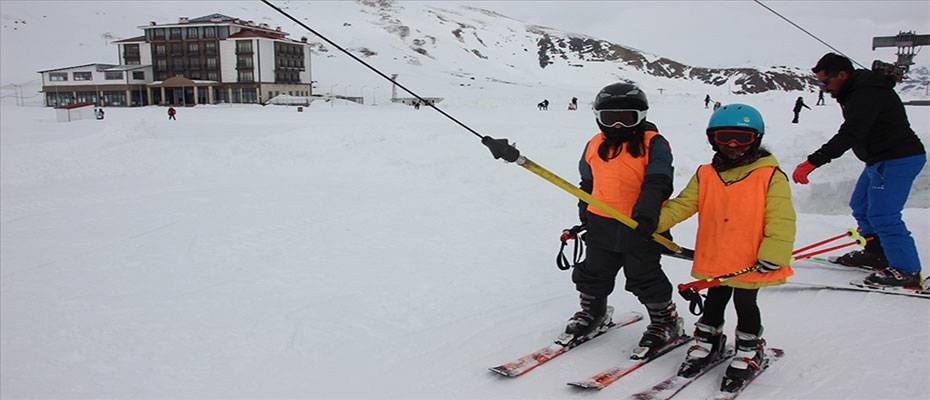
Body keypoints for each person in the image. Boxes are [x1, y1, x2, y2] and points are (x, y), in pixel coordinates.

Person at [655, 104, 795, 391]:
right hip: (717, 255)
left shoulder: (770, 175)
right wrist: (651, 222)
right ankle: (709, 340)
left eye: (741, 138)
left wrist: (773, 254)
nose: (732, 144)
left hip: (750, 258)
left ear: (755, 139)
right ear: (712, 139)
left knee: (745, 303)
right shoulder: (706, 174)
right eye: (724, 137)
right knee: (715, 299)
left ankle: (749, 348)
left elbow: (781, 218)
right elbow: (683, 205)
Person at [568, 82, 683, 358]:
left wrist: (645, 214)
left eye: (627, 117)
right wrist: (585, 209)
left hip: (640, 227)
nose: (618, 125)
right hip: (601, 224)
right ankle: (593, 312)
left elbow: (658, 181)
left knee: (644, 275)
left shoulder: (654, 143)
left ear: (641, 116)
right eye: (610, 118)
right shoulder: (594, 144)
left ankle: (665, 322)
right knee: (593, 271)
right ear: (598, 118)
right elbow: (588, 181)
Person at [792, 53, 926, 287]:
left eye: (825, 82)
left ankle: (907, 270)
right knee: (861, 206)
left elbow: (851, 133)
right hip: (879, 159)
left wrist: (813, 161)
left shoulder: (866, 93)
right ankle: (877, 254)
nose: (823, 88)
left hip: (898, 158)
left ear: (842, 75)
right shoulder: (856, 89)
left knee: (884, 215)